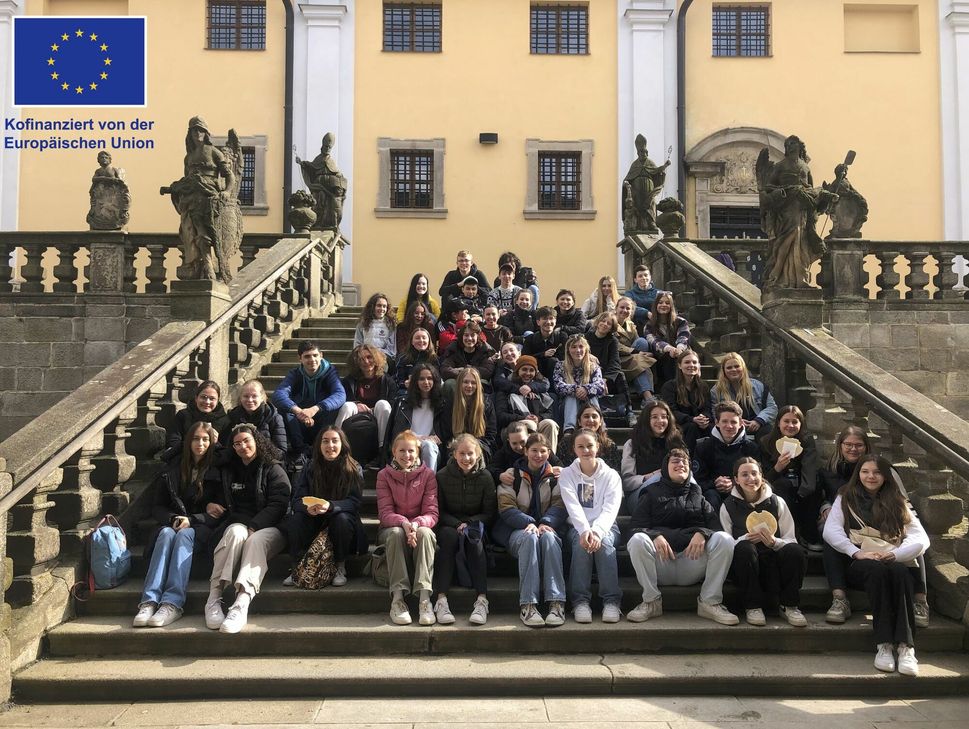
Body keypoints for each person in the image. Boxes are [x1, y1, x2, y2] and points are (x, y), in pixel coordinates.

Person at [822, 455, 929, 676]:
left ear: (885, 476)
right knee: (878, 571)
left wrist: (896, 555)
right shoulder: (846, 496)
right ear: (858, 474)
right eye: (865, 471)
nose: (871, 476)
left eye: (877, 472)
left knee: (900, 572)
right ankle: (884, 645)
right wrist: (857, 552)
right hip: (861, 565)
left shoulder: (897, 500)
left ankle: (906, 647)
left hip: (891, 560)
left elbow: (920, 538)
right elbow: (831, 530)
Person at [818, 426, 930, 627]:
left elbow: (903, 503)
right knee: (831, 537)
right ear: (840, 446)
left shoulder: (886, 474)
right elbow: (823, 497)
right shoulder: (832, 471)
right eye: (848, 444)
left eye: (858, 445)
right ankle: (839, 598)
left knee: (913, 543)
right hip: (853, 530)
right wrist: (826, 507)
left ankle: (920, 600)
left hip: (884, 528)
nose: (870, 476)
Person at [626, 448, 738, 625]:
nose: (681, 465)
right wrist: (655, 535)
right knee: (638, 540)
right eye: (675, 462)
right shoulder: (650, 493)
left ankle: (710, 602)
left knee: (725, 539)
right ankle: (651, 601)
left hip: (691, 562)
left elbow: (716, 528)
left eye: (685, 462)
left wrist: (703, 533)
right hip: (660, 563)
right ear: (665, 468)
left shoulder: (698, 494)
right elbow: (634, 528)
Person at [134, 422, 224, 628]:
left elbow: (221, 511)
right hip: (173, 523)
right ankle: (149, 601)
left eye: (205, 439)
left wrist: (192, 520)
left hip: (201, 528)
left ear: (212, 442)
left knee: (184, 535)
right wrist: (173, 519)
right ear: (187, 441)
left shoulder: (218, 470)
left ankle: (172, 603)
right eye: (195, 438)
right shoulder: (173, 470)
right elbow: (157, 506)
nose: (200, 443)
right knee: (165, 533)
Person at [205, 424, 290, 634]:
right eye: (237, 444)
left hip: (272, 528)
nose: (242, 446)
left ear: (257, 442)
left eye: (246, 441)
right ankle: (214, 598)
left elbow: (279, 504)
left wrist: (255, 525)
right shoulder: (229, 470)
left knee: (255, 540)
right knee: (234, 533)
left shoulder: (273, 468)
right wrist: (209, 504)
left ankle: (242, 602)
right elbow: (213, 494)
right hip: (239, 524)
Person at [720, 457, 807, 627]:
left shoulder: (777, 502)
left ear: (761, 475)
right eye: (744, 475)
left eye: (754, 473)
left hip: (773, 562)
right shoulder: (728, 506)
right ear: (736, 479)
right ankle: (753, 606)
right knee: (745, 549)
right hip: (746, 564)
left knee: (796, 551)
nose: (750, 479)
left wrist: (774, 542)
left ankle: (789, 605)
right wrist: (745, 538)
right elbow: (726, 543)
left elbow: (791, 539)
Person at [493, 433, 568, 628]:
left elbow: (560, 506)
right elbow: (506, 508)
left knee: (550, 538)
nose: (538, 455)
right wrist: (530, 523)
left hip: (545, 526)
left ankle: (556, 603)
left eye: (543, 451)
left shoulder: (555, 476)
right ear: (526, 451)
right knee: (530, 538)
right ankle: (528, 604)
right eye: (534, 450)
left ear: (549, 453)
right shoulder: (512, 475)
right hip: (516, 529)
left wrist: (545, 522)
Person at [283, 427, 368, 588]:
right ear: (319, 445)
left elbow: (355, 502)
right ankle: (296, 567)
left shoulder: (353, 467)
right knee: (296, 519)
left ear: (342, 444)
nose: (330, 446)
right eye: (325, 441)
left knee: (340, 519)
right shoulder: (310, 467)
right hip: (315, 519)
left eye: (335, 441)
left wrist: (331, 506)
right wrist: (306, 508)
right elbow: (297, 500)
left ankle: (339, 566)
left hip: (343, 521)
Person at [558, 429, 623, 623]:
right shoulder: (567, 474)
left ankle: (611, 601)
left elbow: (611, 508)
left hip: (607, 527)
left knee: (604, 544)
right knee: (581, 545)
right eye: (581, 446)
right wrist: (585, 531)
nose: (586, 450)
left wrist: (597, 531)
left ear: (598, 447)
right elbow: (572, 505)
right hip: (577, 528)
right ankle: (580, 601)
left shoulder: (611, 476)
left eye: (590, 446)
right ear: (574, 449)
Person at [432, 434, 497, 625]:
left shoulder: (486, 477)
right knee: (448, 539)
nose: (466, 458)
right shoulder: (442, 476)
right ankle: (441, 599)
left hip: (475, 523)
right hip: (449, 524)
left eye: (470, 454)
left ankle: (482, 599)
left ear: (478, 455)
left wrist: (468, 523)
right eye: (462, 453)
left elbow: (489, 512)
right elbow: (439, 510)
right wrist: (455, 524)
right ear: (454, 453)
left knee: (474, 542)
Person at [377, 430, 440, 626]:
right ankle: (397, 599)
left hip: (417, 526)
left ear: (418, 453)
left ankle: (424, 599)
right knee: (396, 533)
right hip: (393, 528)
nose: (407, 455)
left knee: (426, 533)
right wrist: (403, 522)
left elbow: (432, 513)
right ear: (393, 452)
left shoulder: (428, 475)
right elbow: (385, 514)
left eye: (411, 451)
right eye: (402, 451)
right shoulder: (384, 475)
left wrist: (415, 524)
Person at [164, 117, 237, 281]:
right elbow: (187, 179)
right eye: (194, 130)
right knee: (191, 228)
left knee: (207, 229)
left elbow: (230, 175)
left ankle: (211, 264)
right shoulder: (188, 157)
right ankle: (204, 263)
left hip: (208, 194)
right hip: (191, 196)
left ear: (206, 133)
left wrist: (226, 191)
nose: (198, 133)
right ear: (189, 134)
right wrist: (174, 187)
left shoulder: (214, 152)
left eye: (201, 130)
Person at [758, 405, 820, 547]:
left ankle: (809, 535)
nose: (790, 425)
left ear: (801, 424)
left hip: (802, 483)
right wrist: (778, 467)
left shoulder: (806, 441)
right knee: (782, 486)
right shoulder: (766, 442)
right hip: (778, 483)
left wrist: (802, 493)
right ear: (778, 423)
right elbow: (765, 477)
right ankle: (787, 534)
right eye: (786, 421)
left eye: (795, 422)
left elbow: (809, 468)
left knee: (815, 487)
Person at [272, 340, 346, 455]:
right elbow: (279, 394)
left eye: (315, 355)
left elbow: (340, 395)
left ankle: (322, 449)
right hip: (300, 420)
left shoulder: (330, 372)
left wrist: (315, 409)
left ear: (321, 356)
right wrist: (298, 411)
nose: (312, 360)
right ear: (300, 359)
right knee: (285, 410)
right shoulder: (295, 374)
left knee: (335, 408)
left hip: (322, 418)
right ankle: (300, 451)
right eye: (307, 356)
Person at [620, 399, 687, 515]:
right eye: (654, 417)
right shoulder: (632, 444)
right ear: (646, 420)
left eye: (664, 417)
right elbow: (626, 482)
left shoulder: (677, 443)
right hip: (640, 497)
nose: (660, 421)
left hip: (672, 493)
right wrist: (650, 477)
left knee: (689, 479)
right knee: (659, 478)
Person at [693, 401, 761, 512]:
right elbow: (697, 480)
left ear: (741, 423)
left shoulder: (751, 448)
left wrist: (735, 484)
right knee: (710, 496)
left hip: (742, 491)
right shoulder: (703, 447)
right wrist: (715, 483)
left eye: (733, 422)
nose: (729, 426)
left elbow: (758, 478)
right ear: (716, 422)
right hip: (713, 493)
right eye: (724, 421)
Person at [335, 345, 396, 466]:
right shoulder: (349, 381)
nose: (366, 362)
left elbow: (392, 402)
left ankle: (382, 450)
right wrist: (356, 404)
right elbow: (342, 399)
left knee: (383, 404)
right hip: (356, 415)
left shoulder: (387, 381)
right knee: (348, 406)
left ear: (376, 358)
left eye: (369, 357)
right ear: (356, 362)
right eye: (361, 359)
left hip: (378, 414)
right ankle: (337, 444)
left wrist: (373, 409)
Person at [494, 355, 559, 455]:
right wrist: (524, 417)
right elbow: (501, 416)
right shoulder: (506, 390)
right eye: (524, 369)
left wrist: (538, 418)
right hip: (512, 429)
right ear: (517, 371)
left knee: (550, 424)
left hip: (537, 423)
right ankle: (528, 460)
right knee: (529, 424)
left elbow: (549, 413)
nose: (528, 373)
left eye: (531, 370)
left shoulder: (538, 389)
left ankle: (549, 458)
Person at [390, 364, 447, 471]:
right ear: (415, 381)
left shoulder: (442, 404)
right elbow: (397, 434)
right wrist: (420, 438)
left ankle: (429, 484)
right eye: (421, 379)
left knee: (428, 446)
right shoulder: (403, 403)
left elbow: (444, 436)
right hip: (408, 447)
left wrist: (430, 439)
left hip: (432, 450)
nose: (426, 382)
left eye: (429, 378)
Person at [709, 352, 777, 434]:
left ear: (743, 368)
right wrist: (736, 422)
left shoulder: (758, 386)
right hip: (731, 427)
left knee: (768, 432)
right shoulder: (716, 390)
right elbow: (715, 413)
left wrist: (758, 420)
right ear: (723, 371)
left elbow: (772, 407)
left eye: (737, 366)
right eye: (729, 367)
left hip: (757, 425)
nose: (733, 369)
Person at [161, 380, 230, 461]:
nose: (207, 402)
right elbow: (173, 441)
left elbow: (226, 450)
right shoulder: (183, 415)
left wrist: (215, 442)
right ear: (196, 398)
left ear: (217, 401)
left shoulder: (225, 421)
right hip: (184, 461)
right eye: (203, 397)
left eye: (212, 399)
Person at [659, 349, 711, 452]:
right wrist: (691, 419)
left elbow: (707, 408)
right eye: (687, 362)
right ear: (679, 365)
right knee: (692, 428)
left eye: (694, 362)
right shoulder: (669, 386)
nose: (691, 365)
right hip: (679, 425)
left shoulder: (703, 386)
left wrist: (704, 418)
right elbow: (670, 411)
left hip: (699, 424)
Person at [553, 335, 606, 433]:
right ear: (568, 350)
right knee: (571, 397)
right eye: (574, 347)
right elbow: (558, 386)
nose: (578, 350)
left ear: (586, 349)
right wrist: (576, 389)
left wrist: (586, 390)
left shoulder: (594, 367)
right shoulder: (560, 366)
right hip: (566, 406)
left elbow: (600, 385)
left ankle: (599, 429)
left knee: (592, 397)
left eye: (581, 347)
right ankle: (569, 430)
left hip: (588, 402)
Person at [441, 367, 498, 459]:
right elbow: (447, 433)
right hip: (457, 447)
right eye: (466, 382)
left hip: (480, 446)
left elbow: (491, 434)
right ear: (460, 383)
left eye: (473, 383)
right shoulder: (451, 403)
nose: (469, 385)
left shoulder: (486, 403)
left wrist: (473, 446)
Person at [221, 379, 288, 456]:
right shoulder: (232, 417)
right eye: (246, 396)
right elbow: (226, 446)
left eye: (254, 396)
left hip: (266, 461)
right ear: (240, 398)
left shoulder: (274, 418)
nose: (250, 400)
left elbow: (281, 451)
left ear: (262, 397)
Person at [296, 132, 347, 231]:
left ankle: (332, 224)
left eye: (329, 147)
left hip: (330, 189)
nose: (327, 148)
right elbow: (312, 167)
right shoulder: (318, 159)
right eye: (326, 146)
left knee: (333, 207)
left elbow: (336, 172)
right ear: (322, 146)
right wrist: (302, 163)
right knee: (318, 205)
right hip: (319, 188)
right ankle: (318, 224)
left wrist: (339, 175)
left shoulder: (331, 161)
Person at [489, 420, 564, 484]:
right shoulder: (504, 451)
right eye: (514, 443)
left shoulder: (540, 447)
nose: (520, 447)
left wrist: (561, 470)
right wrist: (499, 475)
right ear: (509, 441)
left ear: (528, 436)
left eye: (522, 442)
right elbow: (491, 468)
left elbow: (559, 464)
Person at [644, 292, 691, 388]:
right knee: (668, 358)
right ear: (656, 305)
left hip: (680, 354)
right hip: (660, 357)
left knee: (680, 357)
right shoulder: (649, 326)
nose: (664, 305)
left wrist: (679, 348)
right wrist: (669, 348)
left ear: (671, 306)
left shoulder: (681, 322)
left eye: (667, 303)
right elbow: (654, 342)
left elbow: (684, 336)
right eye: (660, 302)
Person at [556, 404, 622, 472]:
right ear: (579, 422)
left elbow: (616, 472)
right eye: (586, 416)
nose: (590, 420)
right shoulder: (566, 443)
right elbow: (560, 470)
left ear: (600, 422)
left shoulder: (609, 445)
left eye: (594, 417)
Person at [613, 299, 656, 399]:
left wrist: (645, 354)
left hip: (630, 357)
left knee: (641, 342)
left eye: (628, 308)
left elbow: (637, 343)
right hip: (616, 358)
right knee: (640, 361)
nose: (624, 310)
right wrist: (637, 352)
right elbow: (614, 345)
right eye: (622, 307)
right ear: (616, 308)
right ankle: (648, 396)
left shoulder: (630, 325)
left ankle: (646, 395)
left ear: (631, 311)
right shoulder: (610, 322)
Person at [439, 320, 496, 392]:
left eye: (472, 335)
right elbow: (445, 370)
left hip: (476, 382)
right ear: (461, 336)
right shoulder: (454, 349)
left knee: (483, 382)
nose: (469, 338)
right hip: (459, 383)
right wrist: (464, 375)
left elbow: (487, 371)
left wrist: (465, 369)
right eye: (466, 335)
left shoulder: (484, 350)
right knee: (449, 383)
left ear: (477, 337)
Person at [586, 313, 625, 408]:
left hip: (605, 375)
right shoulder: (586, 337)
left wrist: (603, 380)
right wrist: (587, 355)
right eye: (603, 321)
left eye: (609, 323)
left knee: (620, 375)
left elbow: (615, 362)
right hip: (588, 373)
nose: (605, 324)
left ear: (612, 327)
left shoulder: (613, 341)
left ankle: (628, 410)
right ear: (598, 322)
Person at [522, 307, 566, 382]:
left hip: (557, 375)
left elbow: (564, 357)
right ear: (538, 322)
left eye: (551, 318)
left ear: (555, 321)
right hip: (536, 375)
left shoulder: (562, 336)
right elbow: (525, 358)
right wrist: (543, 354)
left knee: (553, 361)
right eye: (545, 319)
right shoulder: (530, 339)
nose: (548, 322)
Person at [354, 293, 397, 362]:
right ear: (372, 307)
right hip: (365, 357)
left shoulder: (390, 325)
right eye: (379, 306)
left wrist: (376, 353)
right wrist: (366, 353)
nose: (382, 309)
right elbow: (357, 343)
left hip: (383, 357)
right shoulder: (362, 323)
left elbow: (391, 349)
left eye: (384, 306)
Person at [394, 326, 438, 395]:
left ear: (429, 341)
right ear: (412, 342)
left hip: (429, 391)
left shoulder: (434, 358)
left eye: (424, 338)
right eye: (417, 338)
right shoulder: (403, 358)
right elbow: (398, 379)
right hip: (408, 391)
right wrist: (404, 384)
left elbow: (437, 378)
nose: (421, 340)